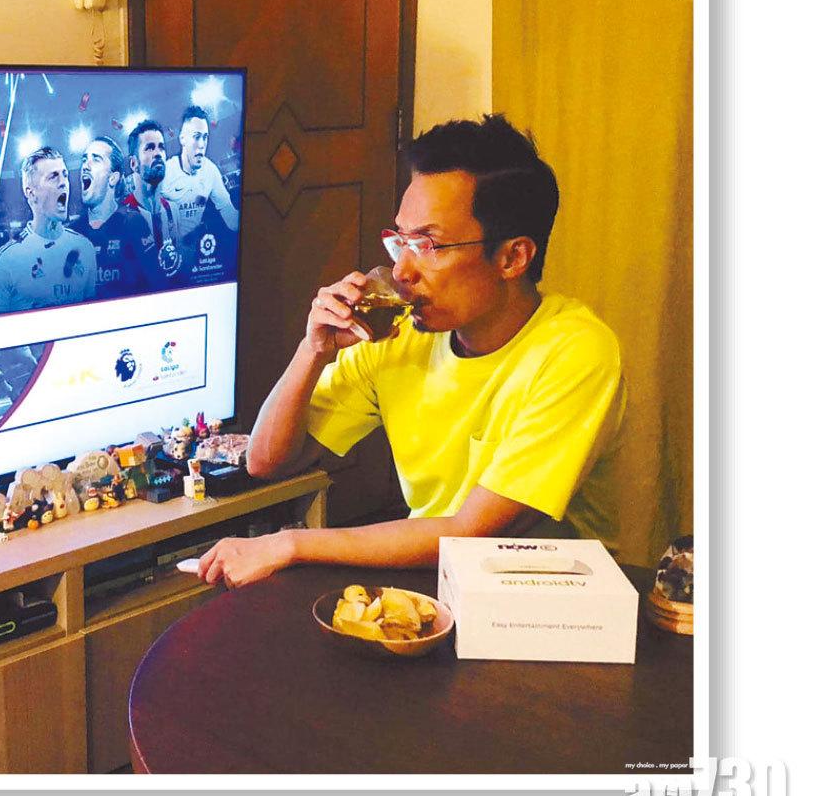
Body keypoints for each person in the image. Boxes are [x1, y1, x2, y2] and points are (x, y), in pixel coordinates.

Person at [197, 115, 627, 588]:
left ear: (512, 257)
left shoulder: (575, 351)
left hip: (549, 598)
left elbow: (470, 534)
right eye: (400, 241)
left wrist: (291, 544)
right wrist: (313, 349)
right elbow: (266, 462)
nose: (402, 270)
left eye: (428, 245)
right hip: (433, 583)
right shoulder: (401, 335)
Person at [0, 147, 98, 314]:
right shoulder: (5, 261)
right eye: (53, 176)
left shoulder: (85, 248)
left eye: (65, 175)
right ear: (31, 193)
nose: (63, 182)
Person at [79, 136, 159, 298]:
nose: (85, 166)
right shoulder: (72, 232)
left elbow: (157, 284)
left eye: (96, 159)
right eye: (84, 159)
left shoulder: (133, 223)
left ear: (113, 178)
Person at [122, 119, 185, 286]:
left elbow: (178, 265)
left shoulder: (173, 210)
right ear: (134, 163)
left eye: (161, 147)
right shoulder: (124, 218)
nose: (158, 153)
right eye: (149, 148)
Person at [161, 105, 239, 234]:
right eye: (196, 137)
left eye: (205, 137)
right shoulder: (165, 173)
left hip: (196, 244)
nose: (202, 144)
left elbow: (232, 220)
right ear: (182, 139)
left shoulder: (210, 171)